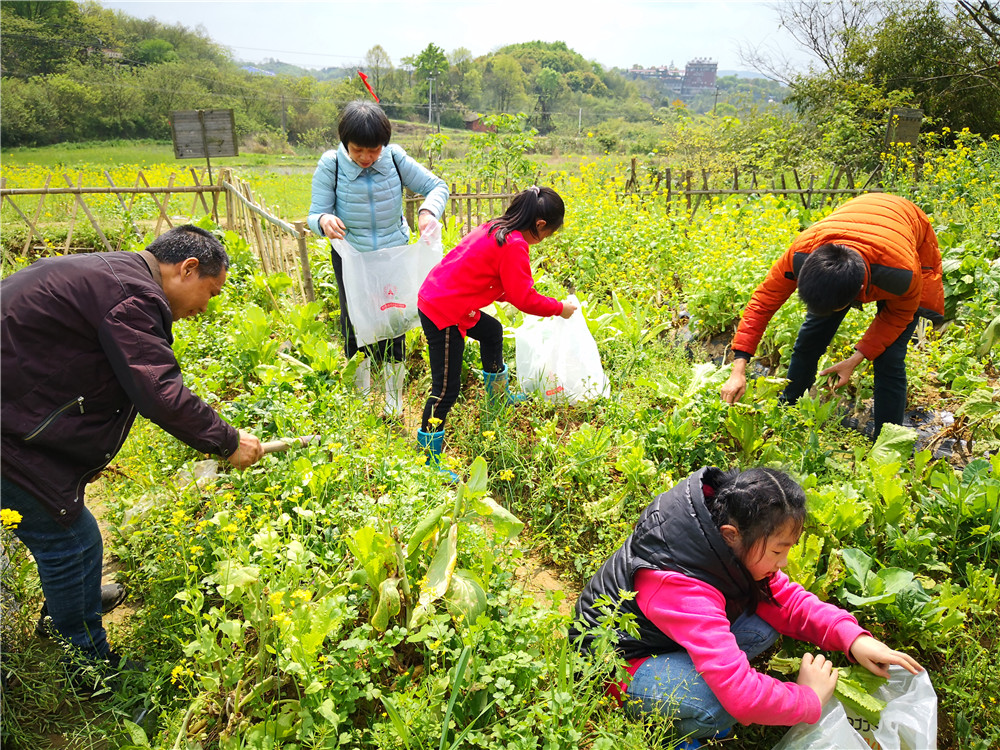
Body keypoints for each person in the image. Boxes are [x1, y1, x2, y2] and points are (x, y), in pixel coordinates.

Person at [1, 225, 264, 688]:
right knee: (69, 540)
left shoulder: (117, 276)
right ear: (187, 269)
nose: (206, 307)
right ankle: (87, 665)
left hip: (16, 408)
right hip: (7, 432)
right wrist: (227, 441)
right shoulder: (131, 299)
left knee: (75, 528)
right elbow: (159, 392)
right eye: (210, 291)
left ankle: (72, 604)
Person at [569, 467, 923, 746]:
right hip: (614, 666)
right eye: (777, 551)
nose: (783, 563)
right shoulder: (680, 582)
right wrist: (808, 698)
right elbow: (741, 698)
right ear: (731, 535)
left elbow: (788, 599)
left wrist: (853, 639)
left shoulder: (723, 539)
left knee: (766, 619)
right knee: (720, 707)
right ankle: (670, 726)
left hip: (665, 635)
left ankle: (707, 669)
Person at [720, 192, 943, 438]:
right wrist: (738, 368)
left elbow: (897, 318)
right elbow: (761, 304)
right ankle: (787, 413)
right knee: (811, 335)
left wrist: (856, 359)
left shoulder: (902, 276)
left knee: (889, 358)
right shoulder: (800, 255)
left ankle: (887, 442)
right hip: (856, 224)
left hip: (902, 234)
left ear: (858, 293)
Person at [415, 186, 578, 476]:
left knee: (492, 331)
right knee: (445, 389)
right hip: (445, 311)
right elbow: (524, 299)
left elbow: (491, 276)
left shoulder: (497, 228)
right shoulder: (515, 244)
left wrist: (515, 290)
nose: (547, 238)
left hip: (448, 297)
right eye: (550, 233)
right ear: (540, 225)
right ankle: (428, 459)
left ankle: (498, 396)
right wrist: (558, 308)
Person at [307, 100, 449, 420]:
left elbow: (437, 186)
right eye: (358, 150)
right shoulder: (332, 164)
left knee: (392, 321)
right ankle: (361, 396)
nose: (366, 158)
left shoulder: (395, 158)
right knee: (355, 322)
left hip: (392, 256)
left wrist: (428, 212)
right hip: (352, 257)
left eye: (374, 150)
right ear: (345, 143)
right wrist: (324, 222)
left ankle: (392, 399)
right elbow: (315, 213)